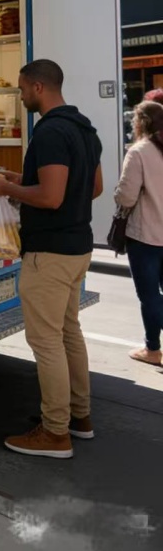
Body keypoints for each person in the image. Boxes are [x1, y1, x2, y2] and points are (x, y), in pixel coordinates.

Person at [0, 59, 103, 459]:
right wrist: (25, 182)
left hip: (49, 253)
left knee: (46, 342)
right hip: (78, 247)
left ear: (37, 87)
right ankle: (79, 418)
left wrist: (6, 188)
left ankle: (55, 433)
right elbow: (93, 187)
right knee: (69, 332)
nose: (20, 97)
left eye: (21, 89)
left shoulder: (50, 132)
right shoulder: (85, 128)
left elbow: (52, 197)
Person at [114, 101, 163, 367]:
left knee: (149, 296)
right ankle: (152, 348)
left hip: (146, 237)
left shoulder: (139, 152)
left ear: (140, 123)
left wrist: (117, 195)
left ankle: (153, 350)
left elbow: (126, 196)